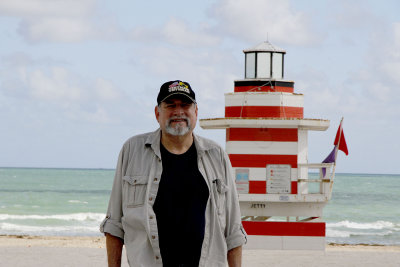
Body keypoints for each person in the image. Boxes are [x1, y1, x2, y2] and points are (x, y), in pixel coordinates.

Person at [100, 80, 247, 267]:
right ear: (157, 113)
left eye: (185, 105)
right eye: (170, 105)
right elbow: (114, 225)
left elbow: (233, 232)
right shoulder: (132, 150)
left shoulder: (217, 155)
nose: (178, 111)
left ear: (196, 112)